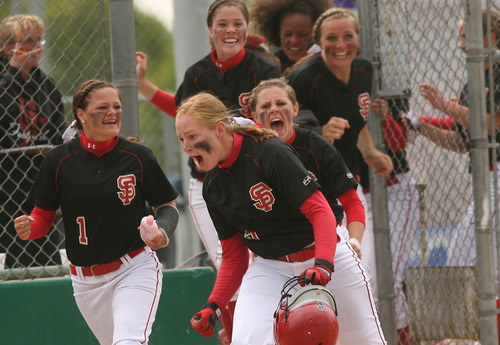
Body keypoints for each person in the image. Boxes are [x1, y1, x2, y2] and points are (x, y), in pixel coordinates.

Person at [177, 92, 387, 345]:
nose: (187, 146)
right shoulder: (212, 185)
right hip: (270, 266)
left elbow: (321, 211)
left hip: (325, 254)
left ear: (220, 129)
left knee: (364, 341)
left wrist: (323, 263)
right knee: (247, 339)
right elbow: (234, 256)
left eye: (193, 136)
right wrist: (215, 305)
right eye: (181, 139)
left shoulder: (268, 153)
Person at [13, 79, 179, 345]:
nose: (112, 113)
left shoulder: (137, 155)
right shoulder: (58, 161)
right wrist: (30, 226)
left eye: (117, 106)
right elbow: (43, 217)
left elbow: (166, 205)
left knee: (129, 341)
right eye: (102, 107)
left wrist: (162, 231)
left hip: (134, 267)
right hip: (85, 281)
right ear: (81, 114)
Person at [285, 5, 393, 318]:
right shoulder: (304, 77)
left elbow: (355, 124)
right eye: (331, 38)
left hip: (347, 182)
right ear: (319, 43)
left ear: (358, 40)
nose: (341, 44)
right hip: (310, 190)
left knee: (363, 265)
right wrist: (320, 132)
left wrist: (370, 151)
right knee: (328, 270)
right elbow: (287, 136)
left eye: (348, 36)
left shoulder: (364, 71)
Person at [415, 8, 500, 268]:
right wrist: (421, 127)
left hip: (496, 174)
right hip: (484, 177)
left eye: (467, 37)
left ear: (493, 38)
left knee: (466, 258)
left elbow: (489, 124)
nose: (461, 45)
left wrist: (444, 105)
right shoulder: (472, 82)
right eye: (460, 37)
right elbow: (462, 141)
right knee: (475, 260)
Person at [249, 77, 364, 257]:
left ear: (295, 109)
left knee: (365, 281)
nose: (273, 109)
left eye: (281, 103)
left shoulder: (316, 146)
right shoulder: (249, 153)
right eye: (265, 107)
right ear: (255, 116)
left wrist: (355, 240)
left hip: (328, 241)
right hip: (274, 255)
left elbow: (351, 201)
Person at [0, 14, 66, 268]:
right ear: (8, 48)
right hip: (6, 185)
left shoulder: (46, 84)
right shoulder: (3, 82)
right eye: (28, 41)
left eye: (39, 40)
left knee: (45, 260)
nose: (37, 47)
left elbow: (57, 129)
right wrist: (14, 73)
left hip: (37, 184)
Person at [249, 0, 332, 74]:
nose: (294, 41)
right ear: (277, 31)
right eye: (287, 35)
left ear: (317, 33)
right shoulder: (270, 69)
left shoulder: (328, 66)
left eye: (302, 35)